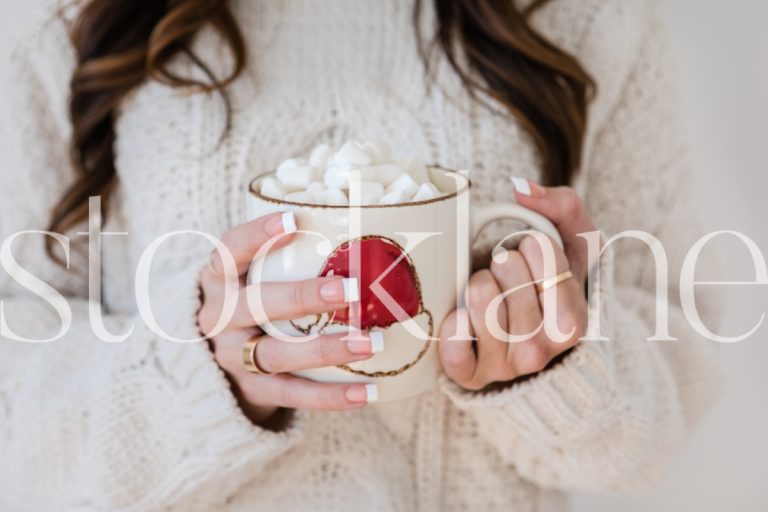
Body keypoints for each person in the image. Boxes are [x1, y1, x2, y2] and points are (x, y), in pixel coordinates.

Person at [0, 0, 721, 510]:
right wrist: (191, 380)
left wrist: (560, 365)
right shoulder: (71, 21)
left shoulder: (587, 17)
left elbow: (674, 392)